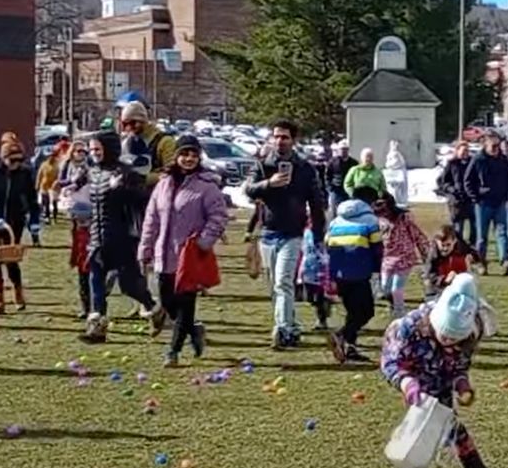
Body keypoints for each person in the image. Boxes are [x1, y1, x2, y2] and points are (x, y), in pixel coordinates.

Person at [382, 273, 493, 468]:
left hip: (441, 379)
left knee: (447, 421)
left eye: (454, 339)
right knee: (419, 425)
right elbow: (391, 361)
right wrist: (407, 382)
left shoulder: (470, 333)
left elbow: (459, 365)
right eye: (444, 336)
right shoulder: (408, 327)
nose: (449, 341)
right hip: (415, 379)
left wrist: (462, 385)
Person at [140, 134, 228, 367]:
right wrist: (145, 248)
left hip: (189, 256)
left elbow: (218, 217)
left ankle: (173, 351)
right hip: (164, 253)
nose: (189, 159)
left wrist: (204, 241)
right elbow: (151, 218)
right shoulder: (164, 183)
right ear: (176, 156)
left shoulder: (206, 186)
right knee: (169, 303)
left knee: (186, 302)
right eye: (184, 154)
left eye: (193, 154)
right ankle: (194, 330)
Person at [244, 121, 327, 352]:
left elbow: (316, 202)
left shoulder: (305, 168)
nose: (280, 141)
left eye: (285, 137)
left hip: (293, 234)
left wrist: (318, 234)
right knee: (275, 286)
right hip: (268, 233)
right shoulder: (262, 166)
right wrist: (268, 184)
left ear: (294, 140)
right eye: (277, 137)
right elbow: (248, 189)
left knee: (283, 282)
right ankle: (292, 325)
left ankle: (282, 330)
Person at [81, 132, 158, 344]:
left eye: (97, 149)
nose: (93, 154)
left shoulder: (124, 172)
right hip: (97, 236)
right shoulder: (92, 171)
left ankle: (154, 308)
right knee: (95, 278)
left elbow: (142, 200)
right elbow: (80, 186)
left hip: (121, 238)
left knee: (129, 286)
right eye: (92, 150)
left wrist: (122, 189)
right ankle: (97, 325)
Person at [325, 188, 385, 364]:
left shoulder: (335, 220)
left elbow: (327, 244)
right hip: (359, 272)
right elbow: (377, 248)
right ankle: (341, 335)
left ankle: (350, 348)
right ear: (370, 202)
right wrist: (377, 271)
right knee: (366, 311)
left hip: (339, 273)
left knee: (352, 312)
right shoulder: (371, 220)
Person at [0, 133, 37, 313]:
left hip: (14, 219)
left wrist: (34, 219)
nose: (16, 164)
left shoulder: (25, 173)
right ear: (3, 158)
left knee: (11, 258)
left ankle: (18, 293)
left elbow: (31, 198)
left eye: (19, 160)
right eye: (12, 161)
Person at [57, 142, 96, 317]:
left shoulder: (92, 167)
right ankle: (86, 306)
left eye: (84, 151)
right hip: (75, 209)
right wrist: (69, 185)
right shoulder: (67, 166)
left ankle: (94, 305)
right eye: (78, 151)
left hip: (92, 211)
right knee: (82, 262)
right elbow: (61, 182)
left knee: (91, 264)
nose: (81, 154)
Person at [375, 195, 428, 320]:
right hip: (387, 258)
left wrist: (426, 254)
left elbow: (418, 235)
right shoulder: (377, 220)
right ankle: (394, 305)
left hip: (405, 257)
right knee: (385, 287)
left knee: (397, 288)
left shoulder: (404, 219)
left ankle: (399, 315)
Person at [468, 136, 508, 273]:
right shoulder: (478, 160)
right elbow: (468, 180)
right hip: (483, 203)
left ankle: (505, 260)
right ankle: (481, 263)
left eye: (497, 147)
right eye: (493, 147)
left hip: (500, 202)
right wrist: (475, 197)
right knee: (482, 237)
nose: (496, 150)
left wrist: (506, 194)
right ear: (486, 146)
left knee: (502, 232)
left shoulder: (503, 160)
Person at [119, 100, 177, 177]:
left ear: (143, 121)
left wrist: (142, 179)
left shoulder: (165, 142)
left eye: (133, 123)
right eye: (125, 124)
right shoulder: (126, 141)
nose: (129, 127)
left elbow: (171, 173)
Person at [436, 141, 476, 247]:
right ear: (457, 151)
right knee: (458, 227)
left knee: (475, 226)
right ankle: (459, 247)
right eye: (462, 151)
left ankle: (473, 248)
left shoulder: (473, 163)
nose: (465, 153)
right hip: (457, 201)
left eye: (467, 150)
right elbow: (442, 181)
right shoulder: (452, 164)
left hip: (471, 199)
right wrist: (451, 189)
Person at [34, 138, 66, 231]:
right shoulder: (44, 164)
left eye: (52, 156)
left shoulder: (57, 165)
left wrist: (60, 185)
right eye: (49, 156)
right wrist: (37, 185)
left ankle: (55, 217)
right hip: (44, 186)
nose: (50, 158)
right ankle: (47, 217)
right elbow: (39, 175)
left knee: (54, 203)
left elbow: (60, 176)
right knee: (46, 203)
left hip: (54, 187)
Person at [383, 140, 409, 206]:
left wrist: (389, 165)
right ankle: (394, 200)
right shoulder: (390, 154)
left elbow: (396, 163)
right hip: (392, 173)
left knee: (398, 189)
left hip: (397, 173)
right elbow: (388, 163)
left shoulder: (397, 154)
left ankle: (399, 200)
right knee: (392, 188)